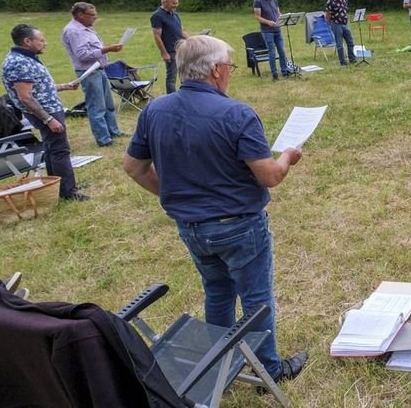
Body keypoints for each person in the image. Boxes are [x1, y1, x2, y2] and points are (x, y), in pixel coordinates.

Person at [122, 35, 308, 385]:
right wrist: (287, 156)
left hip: (191, 226)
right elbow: (268, 176)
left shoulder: (155, 110)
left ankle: (218, 362)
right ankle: (268, 370)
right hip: (239, 226)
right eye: (230, 67)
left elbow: (133, 167)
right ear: (217, 71)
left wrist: (176, 195)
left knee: (218, 291)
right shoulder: (236, 114)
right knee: (257, 300)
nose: (230, 74)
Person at [0, 24, 88, 201]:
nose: (45, 43)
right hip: (46, 113)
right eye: (41, 40)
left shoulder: (26, 58)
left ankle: (57, 185)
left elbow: (38, 88)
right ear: (27, 41)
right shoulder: (19, 63)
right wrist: (49, 119)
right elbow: (25, 97)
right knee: (60, 150)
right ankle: (69, 192)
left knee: (51, 149)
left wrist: (64, 86)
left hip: (48, 109)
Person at [61, 2, 125, 147]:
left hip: (99, 69)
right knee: (97, 106)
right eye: (92, 16)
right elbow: (82, 55)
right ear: (80, 15)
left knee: (108, 104)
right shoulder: (74, 31)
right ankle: (103, 139)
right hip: (89, 72)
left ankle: (113, 131)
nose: (95, 19)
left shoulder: (85, 28)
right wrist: (107, 49)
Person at [151, 0, 189, 94]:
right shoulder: (157, 16)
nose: (176, 5)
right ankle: (171, 98)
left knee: (184, 75)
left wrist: (193, 40)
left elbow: (180, 31)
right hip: (170, 51)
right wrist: (164, 53)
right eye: (174, 3)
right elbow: (157, 36)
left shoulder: (175, 14)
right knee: (171, 78)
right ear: (165, 2)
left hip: (181, 49)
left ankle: (185, 95)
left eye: (177, 3)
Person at [253, 0, 291, 81]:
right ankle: (275, 74)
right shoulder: (258, 1)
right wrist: (267, 22)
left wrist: (284, 18)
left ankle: (284, 71)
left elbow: (278, 14)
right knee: (272, 52)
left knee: (282, 51)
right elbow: (257, 16)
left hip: (277, 29)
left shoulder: (274, 0)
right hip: (267, 31)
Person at [325, 0, 357, 65]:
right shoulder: (330, 1)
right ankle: (342, 62)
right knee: (339, 44)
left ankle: (352, 59)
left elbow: (345, 10)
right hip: (336, 24)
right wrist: (330, 24)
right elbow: (327, 14)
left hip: (345, 23)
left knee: (350, 42)